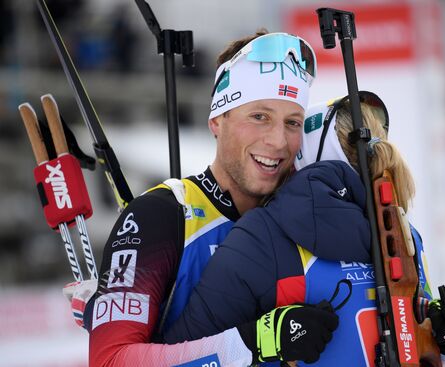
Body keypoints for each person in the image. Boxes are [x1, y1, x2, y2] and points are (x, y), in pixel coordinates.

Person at [162, 92, 445, 366]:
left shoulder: (263, 235)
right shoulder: (400, 230)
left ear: (303, 156)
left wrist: (443, 322)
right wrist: (444, 325)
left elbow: (184, 357)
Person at [78, 30, 340, 367]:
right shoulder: (160, 215)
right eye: (259, 117)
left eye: (292, 123)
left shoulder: (308, 213)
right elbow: (111, 360)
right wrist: (256, 342)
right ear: (217, 120)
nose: (278, 141)